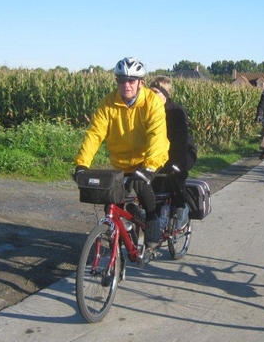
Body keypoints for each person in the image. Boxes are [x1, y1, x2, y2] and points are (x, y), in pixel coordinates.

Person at [74, 57, 169, 250]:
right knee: (110, 200)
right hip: (121, 161)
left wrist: (149, 167)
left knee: (142, 187)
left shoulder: (152, 103)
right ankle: (125, 235)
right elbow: (95, 133)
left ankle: (152, 223)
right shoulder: (108, 103)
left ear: (141, 83)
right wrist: (82, 164)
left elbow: (157, 136)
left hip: (148, 159)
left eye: (131, 81)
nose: (126, 85)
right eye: (121, 80)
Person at [149, 76, 198, 229]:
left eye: (155, 92)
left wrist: (176, 161)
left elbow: (180, 139)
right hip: (159, 152)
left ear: (165, 94)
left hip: (182, 151)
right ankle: (155, 215)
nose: (150, 95)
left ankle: (181, 206)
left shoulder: (176, 111)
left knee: (174, 172)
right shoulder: (146, 110)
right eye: (148, 92)